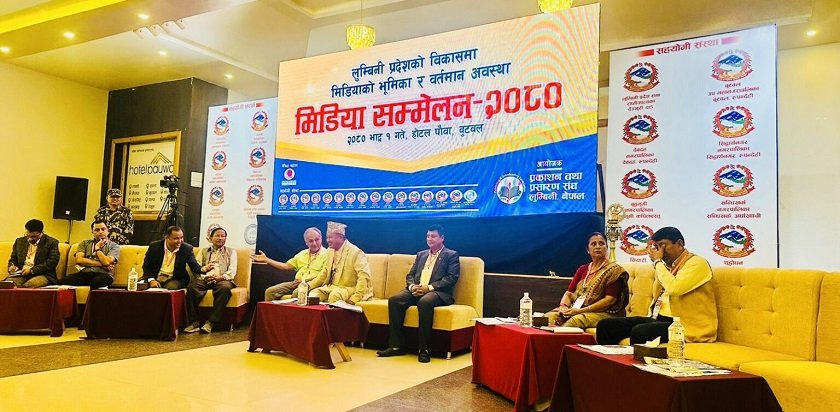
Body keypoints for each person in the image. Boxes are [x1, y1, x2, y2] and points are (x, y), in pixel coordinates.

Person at [596, 226, 718, 344]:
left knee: (640, 332)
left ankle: (633, 359)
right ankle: (610, 358)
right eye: (657, 247)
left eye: (663, 246)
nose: (660, 252)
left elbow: (674, 288)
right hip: (659, 319)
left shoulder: (697, 263)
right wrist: (660, 264)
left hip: (685, 325)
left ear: (680, 244)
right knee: (606, 325)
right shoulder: (668, 266)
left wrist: (658, 262)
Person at [377, 225, 460, 363]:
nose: (429, 239)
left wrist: (429, 287)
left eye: (433, 236)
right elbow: (410, 275)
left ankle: (424, 349)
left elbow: (452, 278)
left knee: (425, 302)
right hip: (417, 289)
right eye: (428, 236)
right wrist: (412, 286)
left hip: (438, 292)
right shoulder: (421, 254)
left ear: (442, 238)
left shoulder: (451, 255)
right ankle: (396, 346)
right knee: (395, 300)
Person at [548, 232, 628, 328]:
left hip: (606, 313)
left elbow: (610, 300)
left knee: (575, 320)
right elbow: (569, 293)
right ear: (587, 250)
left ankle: (559, 336)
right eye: (593, 244)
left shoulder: (614, 271)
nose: (598, 247)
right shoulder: (583, 269)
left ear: (606, 248)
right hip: (578, 310)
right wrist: (563, 307)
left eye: (601, 243)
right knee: (549, 317)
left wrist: (580, 311)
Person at [184, 225, 238, 334]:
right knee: (191, 287)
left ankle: (211, 322)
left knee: (224, 288)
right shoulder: (203, 251)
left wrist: (220, 278)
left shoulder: (231, 252)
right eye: (217, 236)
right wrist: (205, 277)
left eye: (223, 236)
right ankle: (194, 322)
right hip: (205, 279)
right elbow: (197, 268)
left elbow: (232, 271)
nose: (220, 238)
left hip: (222, 279)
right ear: (211, 238)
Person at [306, 221, 372, 304]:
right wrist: (310, 285)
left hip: (349, 288)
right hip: (331, 287)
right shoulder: (330, 250)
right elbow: (325, 272)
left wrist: (356, 297)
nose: (327, 240)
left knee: (335, 295)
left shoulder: (356, 252)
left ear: (340, 237)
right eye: (327, 237)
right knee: (313, 295)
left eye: (330, 237)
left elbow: (364, 276)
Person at [255, 227, 328, 301]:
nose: (314, 243)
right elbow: (286, 266)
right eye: (311, 241)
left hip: (312, 285)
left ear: (321, 239)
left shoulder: (327, 255)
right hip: (296, 283)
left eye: (317, 240)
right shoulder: (302, 254)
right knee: (270, 292)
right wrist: (267, 260)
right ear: (306, 242)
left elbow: (322, 277)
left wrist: (305, 283)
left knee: (297, 293)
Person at [58, 221, 120, 289]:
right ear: (92, 232)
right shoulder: (84, 243)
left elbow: (106, 262)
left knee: (97, 282)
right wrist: (102, 265)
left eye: (103, 229)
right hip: (85, 273)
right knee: (61, 282)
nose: (100, 232)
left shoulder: (114, 246)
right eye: (97, 230)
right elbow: (79, 260)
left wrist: (97, 248)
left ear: (107, 231)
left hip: (104, 274)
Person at [141, 225, 204, 290]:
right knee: (139, 286)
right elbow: (146, 266)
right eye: (176, 238)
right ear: (167, 238)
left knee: (171, 287)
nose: (180, 241)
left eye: (181, 237)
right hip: (155, 277)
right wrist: (151, 280)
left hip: (175, 279)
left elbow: (194, 267)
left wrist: (203, 269)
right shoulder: (154, 247)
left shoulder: (186, 249)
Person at [7, 219, 60, 288]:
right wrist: (12, 266)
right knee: (7, 285)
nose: (29, 239)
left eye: (33, 237)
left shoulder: (51, 242)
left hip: (42, 274)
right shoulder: (19, 241)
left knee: (28, 286)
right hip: (21, 274)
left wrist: (32, 270)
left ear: (41, 233)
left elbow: (52, 262)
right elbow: (13, 259)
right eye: (27, 236)